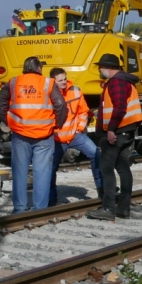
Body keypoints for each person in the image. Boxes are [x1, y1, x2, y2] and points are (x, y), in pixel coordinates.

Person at [0, 57, 67, 212]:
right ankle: (39, 210)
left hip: (20, 134)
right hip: (44, 135)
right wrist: (57, 124)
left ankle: (20, 208)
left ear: (24, 68)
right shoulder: (48, 83)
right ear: (39, 69)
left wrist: (6, 120)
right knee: (42, 173)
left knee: (19, 172)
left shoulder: (14, 82)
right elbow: (60, 104)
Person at [88, 53, 142, 221]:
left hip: (117, 132)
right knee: (123, 167)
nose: (99, 70)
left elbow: (119, 107)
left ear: (109, 68)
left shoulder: (117, 82)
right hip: (126, 130)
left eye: (100, 67)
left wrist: (111, 129)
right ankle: (123, 208)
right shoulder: (126, 81)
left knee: (106, 168)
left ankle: (108, 208)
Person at [48, 67, 102, 206]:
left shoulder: (76, 91)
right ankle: (51, 199)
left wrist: (79, 128)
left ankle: (103, 191)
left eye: (65, 79)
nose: (64, 82)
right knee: (50, 168)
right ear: (53, 81)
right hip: (57, 139)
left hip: (75, 135)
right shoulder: (48, 94)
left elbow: (83, 111)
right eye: (60, 80)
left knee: (96, 154)